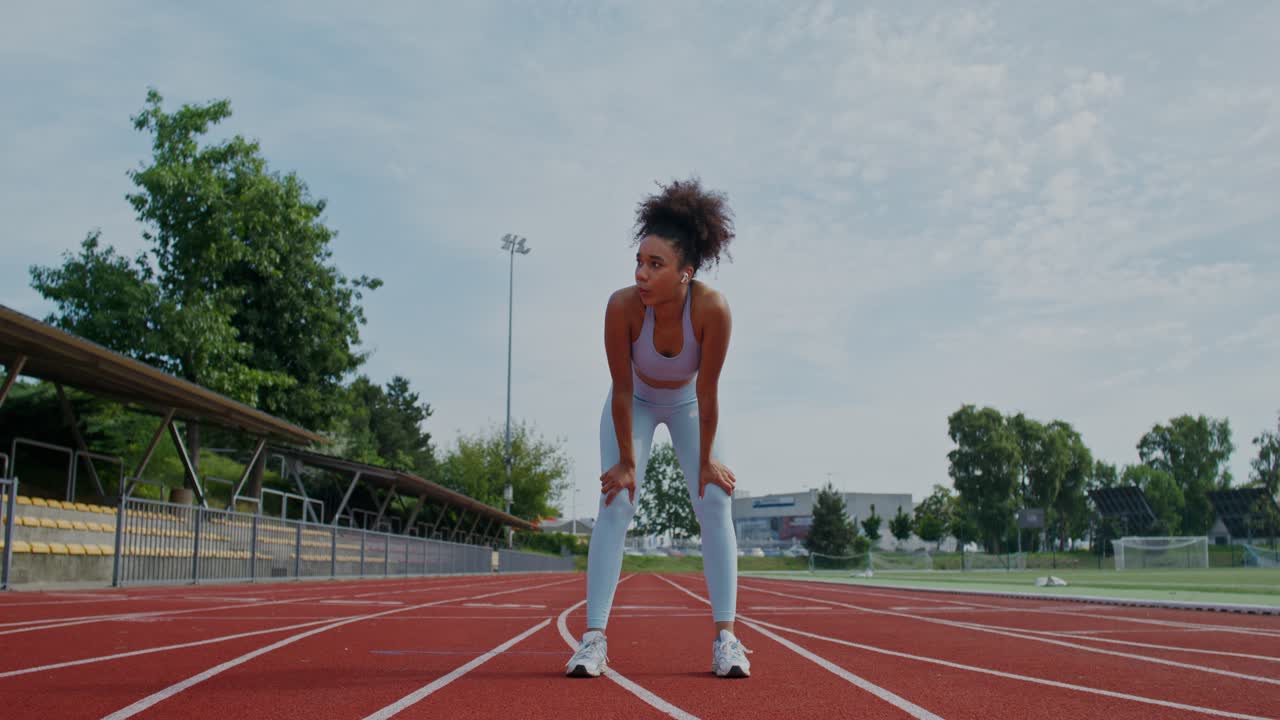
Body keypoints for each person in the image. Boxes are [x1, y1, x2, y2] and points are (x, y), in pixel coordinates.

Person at [565, 177, 751, 679]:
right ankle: (593, 639)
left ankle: (727, 639)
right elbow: (622, 392)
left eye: (656, 265)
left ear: (686, 273)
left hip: (690, 402)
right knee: (617, 499)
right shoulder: (621, 307)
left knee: (715, 500)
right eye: (639, 263)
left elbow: (708, 392)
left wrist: (707, 461)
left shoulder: (712, 309)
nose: (641, 274)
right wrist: (626, 464)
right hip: (637, 402)